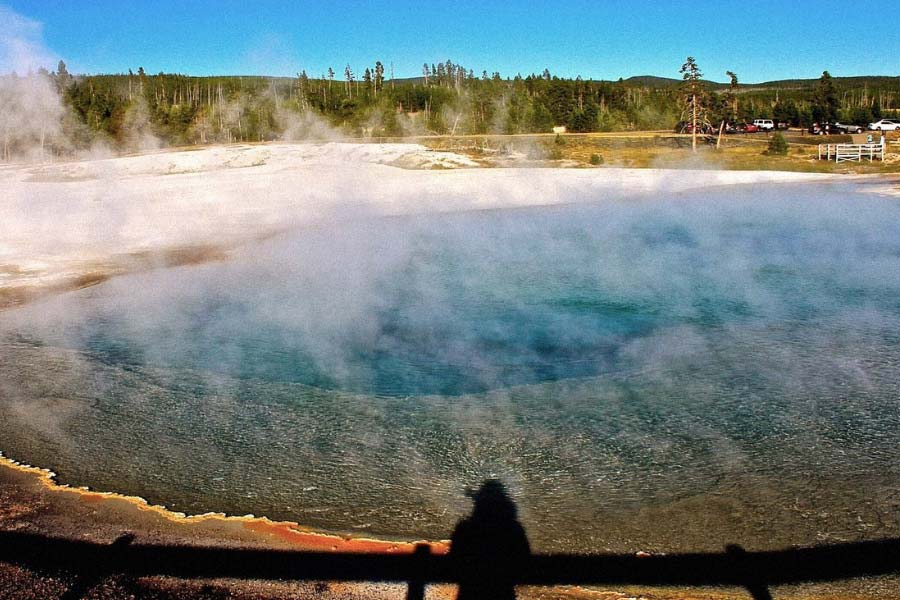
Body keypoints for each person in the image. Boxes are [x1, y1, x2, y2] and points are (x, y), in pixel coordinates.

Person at [450, 480, 531, 600]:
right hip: (503, 594)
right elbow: (524, 563)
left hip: (470, 594)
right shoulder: (513, 530)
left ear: (478, 504)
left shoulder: (466, 528)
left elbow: (454, 563)